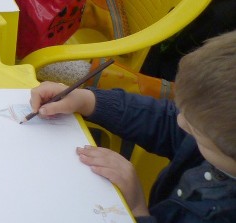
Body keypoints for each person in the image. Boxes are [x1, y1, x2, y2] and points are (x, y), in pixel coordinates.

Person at [29, 30, 236, 223]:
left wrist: (136, 208)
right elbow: (165, 120)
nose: (180, 121)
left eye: (196, 130)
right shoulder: (218, 132)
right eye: (182, 110)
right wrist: (87, 100)